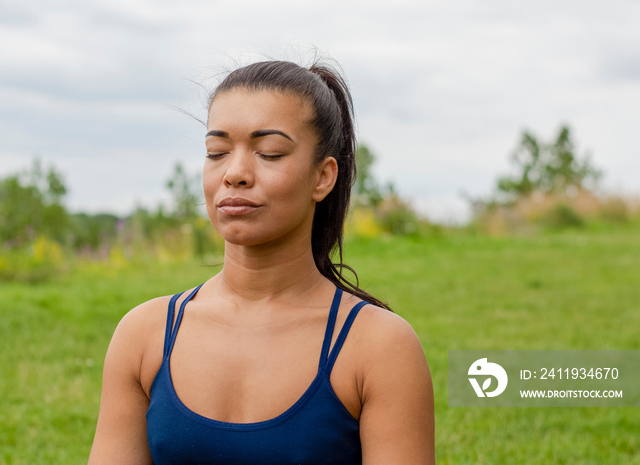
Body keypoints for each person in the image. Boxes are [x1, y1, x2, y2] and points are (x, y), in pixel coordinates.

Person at [88, 59, 434, 464]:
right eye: (216, 152)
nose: (234, 173)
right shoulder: (143, 336)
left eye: (269, 153)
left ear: (322, 177)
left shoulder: (379, 347)